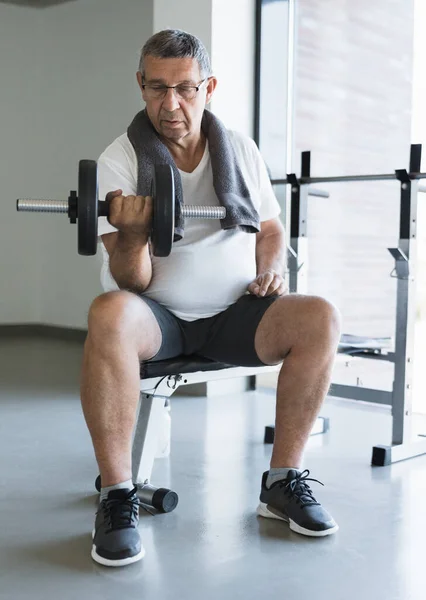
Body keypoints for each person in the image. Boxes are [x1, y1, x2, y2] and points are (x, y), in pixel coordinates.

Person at [80, 29, 341, 568]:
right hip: (160, 318)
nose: (170, 104)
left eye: (185, 89)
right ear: (140, 85)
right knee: (108, 311)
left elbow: (269, 229)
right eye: (157, 88)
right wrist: (131, 232)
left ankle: (283, 481)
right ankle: (117, 496)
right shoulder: (119, 160)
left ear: (208, 86)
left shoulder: (239, 148)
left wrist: (271, 272)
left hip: (235, 314)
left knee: (319, 316)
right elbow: (131, 282)